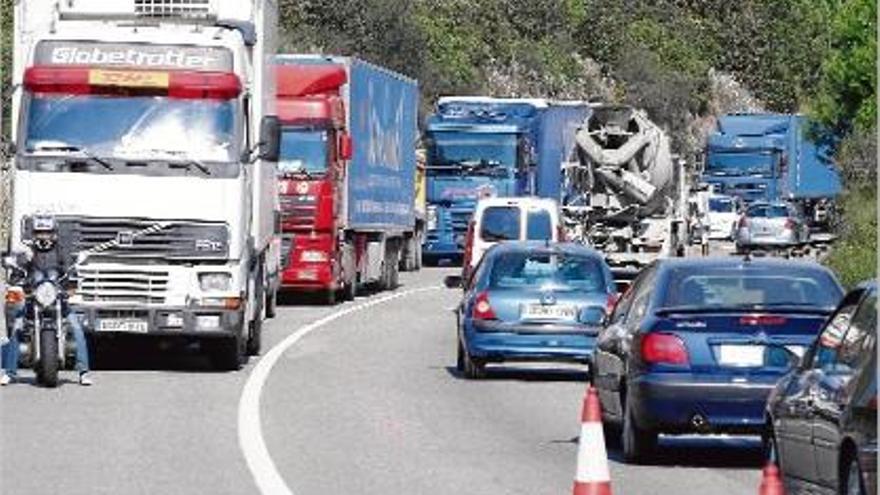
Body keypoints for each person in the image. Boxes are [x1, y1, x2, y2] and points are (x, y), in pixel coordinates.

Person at [1, 273, 93, 387]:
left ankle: (83, 372)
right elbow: (21, 267)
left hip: (58, 300)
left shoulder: (61, 254)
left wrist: (70, 277)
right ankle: (10, 372)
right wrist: (17, 275)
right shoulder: (31, 256)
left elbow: (68, 266)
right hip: (34, 300)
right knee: (16, 328)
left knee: (77, 328)